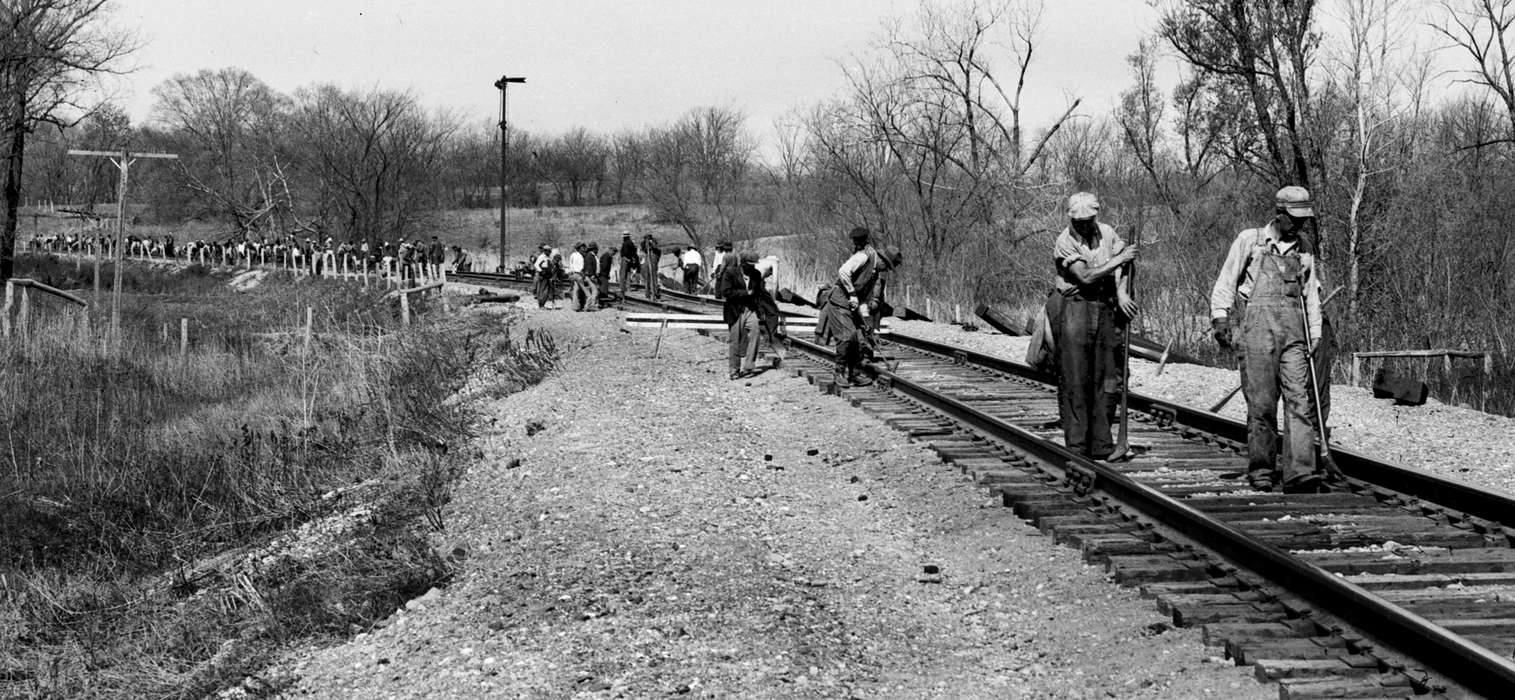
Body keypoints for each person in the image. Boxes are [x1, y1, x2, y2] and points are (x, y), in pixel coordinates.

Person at [1210, 185, 1326, 493]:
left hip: (1295, 331)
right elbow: (1226, 280)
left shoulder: (1304, 247)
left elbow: (1311, 294)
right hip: (1257, 329)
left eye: (1303, 219)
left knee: (1299, 400)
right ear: (1280, 214)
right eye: (1294, 218)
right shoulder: (1251, 240)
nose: (1300, 224)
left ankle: (1300, 471)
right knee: (1261, 404)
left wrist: (1315, 332)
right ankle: (1261, 468)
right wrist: (1219, 316)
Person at [1051, 192, 1138, 461]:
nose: (1085, 225)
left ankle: (1102, 444)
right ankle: (1077, 447)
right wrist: (1117, 261)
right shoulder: (1065, 241)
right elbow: (1085, 276)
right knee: (1077, 379)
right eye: (1080, 221)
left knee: (1106, 379)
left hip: (1105, 307)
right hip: (1076, 306)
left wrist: (1122, 293)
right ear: (1071, 218)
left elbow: (1125, 262)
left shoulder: (1107, 232)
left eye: (1089, 219)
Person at [815, 227, 903, 387]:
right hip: (839, 300)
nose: (887, 270)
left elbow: (864, 297)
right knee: (846, 337)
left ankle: (854, 373)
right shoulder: (864, 257)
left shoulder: (875, 270)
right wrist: (852, 293)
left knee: (858, 337)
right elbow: (843, 271)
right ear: (883, 260)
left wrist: (865, 320)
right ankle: (839, 372)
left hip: (851, 304)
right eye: (888, 266)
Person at [716, 250, 764, 379]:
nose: (752, 267)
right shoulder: (730, 273)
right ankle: (734, 370)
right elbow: (726, 292)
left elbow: (759, 293)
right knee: (735, 340)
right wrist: (745, 293)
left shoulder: (756, 274)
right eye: (749, 264)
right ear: (742, 263)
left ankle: (749, 366)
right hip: (735, 310)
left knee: (756, 334)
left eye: (754, 264)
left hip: (750, 309)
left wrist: (761, 311)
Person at [753, 253, 785, 369]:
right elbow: (775, 282)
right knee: (773, 312)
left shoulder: (761, 261)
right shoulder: (774, 262)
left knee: (760, 307)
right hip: (756, 284)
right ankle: (771, 335)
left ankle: (763, 330)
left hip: (750, 284)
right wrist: (774, 299)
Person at [532, 244, 555, 309]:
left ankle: (543, 303)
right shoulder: (542, 257)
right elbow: (536, 265)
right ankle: (541, 304)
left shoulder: (548, 257)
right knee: (542, 290)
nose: (550, 252)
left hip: (547, 274)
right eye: (549, 251)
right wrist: (541, 271)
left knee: (546, 290)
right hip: (543, 274)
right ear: (545, 251)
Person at [618, 231, 640, 299]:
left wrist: (625, 257)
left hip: (625, 259)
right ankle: (628, 288)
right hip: (630, 260)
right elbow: (634, 252)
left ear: (624, 237)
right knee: (628, 274)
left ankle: (622, 288)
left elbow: (623, 253)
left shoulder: (625, 243)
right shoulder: (631, 243)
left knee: (622, 274)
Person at [640, 234, 662, 300]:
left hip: (653, 263)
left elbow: (657, 249)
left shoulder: (655, 248)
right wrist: (647, 244)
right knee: (648, 278)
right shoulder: (645, 247)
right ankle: (648, 293)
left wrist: (651, 244)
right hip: (648, 263)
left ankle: (655, 292)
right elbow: (643, 247)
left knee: (654, 278)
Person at [582, 242, 600, 309]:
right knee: (595, 291)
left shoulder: (592, 255)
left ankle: (590, 305)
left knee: (594, 290)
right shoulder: (590, 256)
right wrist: (592, 275)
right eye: (596, 249)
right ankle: (591, 305)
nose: (597, 250)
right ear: (593, 249)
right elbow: (589, 267)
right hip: (590, 276)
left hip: (591, 276)